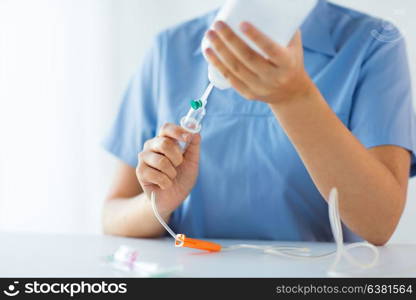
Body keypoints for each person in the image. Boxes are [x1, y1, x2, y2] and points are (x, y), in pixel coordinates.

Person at [102, 0, 416, 245]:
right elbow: (113, 215)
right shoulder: (171, 49)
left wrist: (295, 98)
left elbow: (379, 222)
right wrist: (158, 205)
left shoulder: (373, 45)